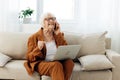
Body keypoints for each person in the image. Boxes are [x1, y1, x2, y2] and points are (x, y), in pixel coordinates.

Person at [24, 13, 74, 80]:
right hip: (41, 63)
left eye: (53, 18)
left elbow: (65, 50)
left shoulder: (58, 35)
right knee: (56, 65)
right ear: (42, 23)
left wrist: (58, 34)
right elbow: (29, 58)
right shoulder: (33, 37)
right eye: (48, 19)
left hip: (57, 61)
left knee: (69, 62)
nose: (51, 20)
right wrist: (38, 48)